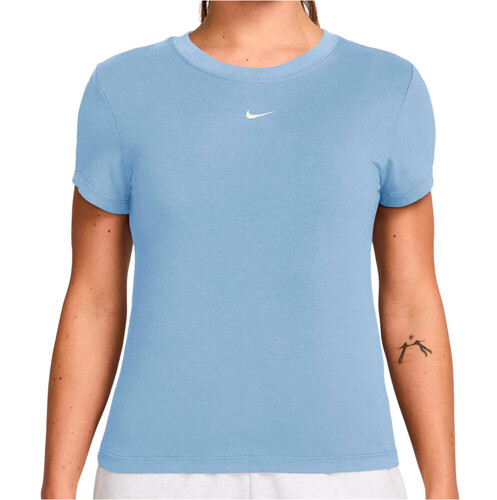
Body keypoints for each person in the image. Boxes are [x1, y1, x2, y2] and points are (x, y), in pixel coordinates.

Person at [42, 1, 459, 498]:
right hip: (154, 472)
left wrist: (443, 487)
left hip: (346, 473)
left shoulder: (388, 87)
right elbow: (94, 301)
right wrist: (56, 487)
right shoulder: (121, 88)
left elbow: (411, 300)